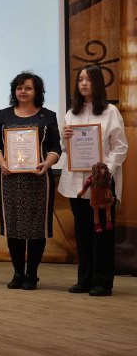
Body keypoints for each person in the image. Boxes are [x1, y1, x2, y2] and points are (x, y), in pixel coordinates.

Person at [58, 65, 128, 296]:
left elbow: (120, 146)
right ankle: (84, 279)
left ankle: (102, 281)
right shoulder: (71, 113)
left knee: (102, 232)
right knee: (83, 232)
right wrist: (64, 139)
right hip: (76, 183)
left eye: (88, 79)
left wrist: (104, 170)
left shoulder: (110, 111)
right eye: (80, 80)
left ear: (98, 83)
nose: (84, 83)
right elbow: (66, 149)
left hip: (101, 183)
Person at [0, 71, 61, 290]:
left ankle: (32, 274)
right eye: (19, 88)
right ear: (14, 91)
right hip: (10, 179)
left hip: (38, 179)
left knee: (36, 228)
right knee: (14, 227)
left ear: (37, 91)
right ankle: (18, 273)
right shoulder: (3, 115)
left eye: (28, 88)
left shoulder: (48, 116)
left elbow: (55, 147)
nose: (23, 91)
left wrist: (46, 164)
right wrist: (2, 163)